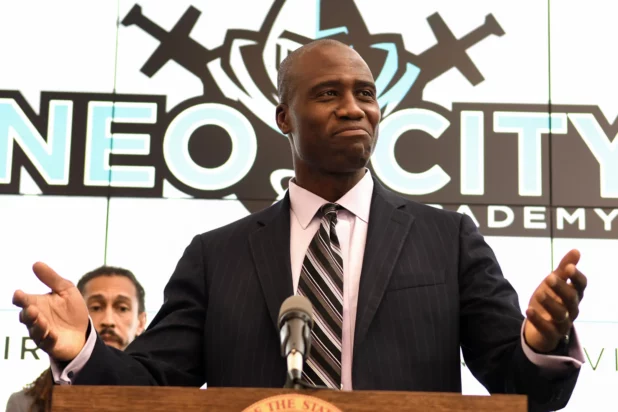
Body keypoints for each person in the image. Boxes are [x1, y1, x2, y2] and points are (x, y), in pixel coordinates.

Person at [12, 39, 587, 412]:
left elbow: (521, 387)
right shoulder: (217, 256)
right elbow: (154, 385)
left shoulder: (448, 240)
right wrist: (83, 350)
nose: (353, 108)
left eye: (365, 94)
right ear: (284, 117)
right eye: (328, 94)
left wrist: (540, 343)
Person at [6, 266, 146, 412]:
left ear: (141, 322)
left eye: (122, 308)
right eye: (96, 307)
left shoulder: (158, 391)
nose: (108, 321)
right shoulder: (25, 404)